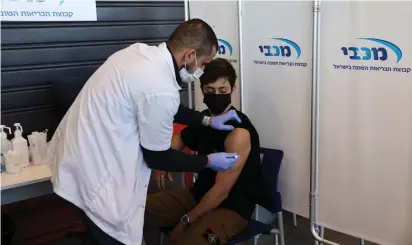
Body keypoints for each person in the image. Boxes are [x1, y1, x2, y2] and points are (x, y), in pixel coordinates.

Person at [47, 19, 242, 245]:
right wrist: (208, 161)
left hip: (78, 160)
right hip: (98, 178)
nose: (202, 70)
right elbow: (157, 155)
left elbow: (163, 107)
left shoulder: (137, 54)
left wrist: (207, 120)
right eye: (205, 64)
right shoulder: (160, 87)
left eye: (222, 89)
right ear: (190, 56)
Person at [143, 58, 262, 245]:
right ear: (202, 89)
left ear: (233, 88)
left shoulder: (238, 132)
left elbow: (221, 191)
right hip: (197, 196)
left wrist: (186, 220)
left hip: (230, 212)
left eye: (222, 91)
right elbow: (177, 141)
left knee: (200, 242)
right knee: (136, 211)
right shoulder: (206, 120)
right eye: (210, 90)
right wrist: (162, 160)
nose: (216, 96)